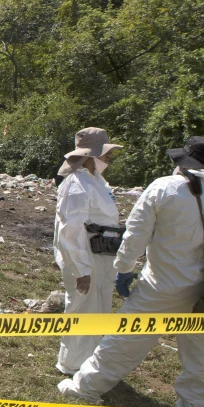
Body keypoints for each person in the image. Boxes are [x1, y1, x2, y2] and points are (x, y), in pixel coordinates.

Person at [58, 136, 204, 407]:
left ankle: (84, 389)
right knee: (203, 356)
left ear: (182, 162)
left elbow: (135, 236)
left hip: (162, 286)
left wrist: (123, 268)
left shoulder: (163, 188)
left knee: (123, 344)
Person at [53, 127, 123, 376]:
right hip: (86, 258)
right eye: (104, 152)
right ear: (90, 155)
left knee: (98, 309)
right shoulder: (78, 185)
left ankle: (88, 364)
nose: (108, 157)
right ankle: (72, 365)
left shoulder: (96, 181)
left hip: (101, 255)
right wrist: (81, 269)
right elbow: (70, 232)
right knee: (83, 309)